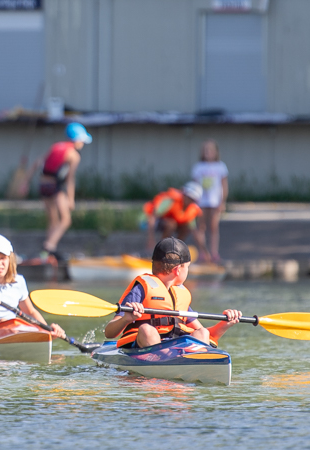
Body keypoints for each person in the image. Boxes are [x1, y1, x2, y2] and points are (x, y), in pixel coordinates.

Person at [103, 237, 242, 349]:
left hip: (177, 350)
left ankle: (196, 361)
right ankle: (161, 362)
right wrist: (126, 318)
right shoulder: (141, 289)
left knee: (202, 332)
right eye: (187, 267)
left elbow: (208, 334)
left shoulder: (180, 296)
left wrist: (225, 324)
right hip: (144, 349)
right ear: (177, 270)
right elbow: (109, 333)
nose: (188, 270)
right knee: (147, 330)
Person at [39, 121, 91, 258]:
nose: (83, 144)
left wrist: (25, 183)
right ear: (77, 140)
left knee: (53, 220)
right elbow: (70, 179)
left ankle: (46, 255)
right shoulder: (74, 155)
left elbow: (38, 163)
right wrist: (70, 199)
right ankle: (49, 246)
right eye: (82, 140)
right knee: (66, 220)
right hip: (54, 187)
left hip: (43, 185)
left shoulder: (56, 147)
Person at [190, 140, 231, 263]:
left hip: (214, 201)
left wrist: (222, 201)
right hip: (201, 201)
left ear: (216, 152)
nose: (208, 152)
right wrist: (194, 201)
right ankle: (203, 252)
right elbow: (195, 186)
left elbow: (224, 185)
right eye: (205, 150)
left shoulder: (220, 166)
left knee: (213, 227)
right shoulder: (198, 167)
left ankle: (214, 253)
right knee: (201, 227)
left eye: (210, 150)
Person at [142, 183, 201, 256]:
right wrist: (150, 239)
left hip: (173, 225)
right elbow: (152, 217)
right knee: (171, 224)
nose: (189, 201)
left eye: (192, 199)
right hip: (156, 223)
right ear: (184, 194)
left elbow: (194, 231)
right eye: (188, 197)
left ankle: (175, 250)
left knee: (186, 227)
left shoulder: (191, 209)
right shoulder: (171, 201)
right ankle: (161, 250)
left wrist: (205, 253)